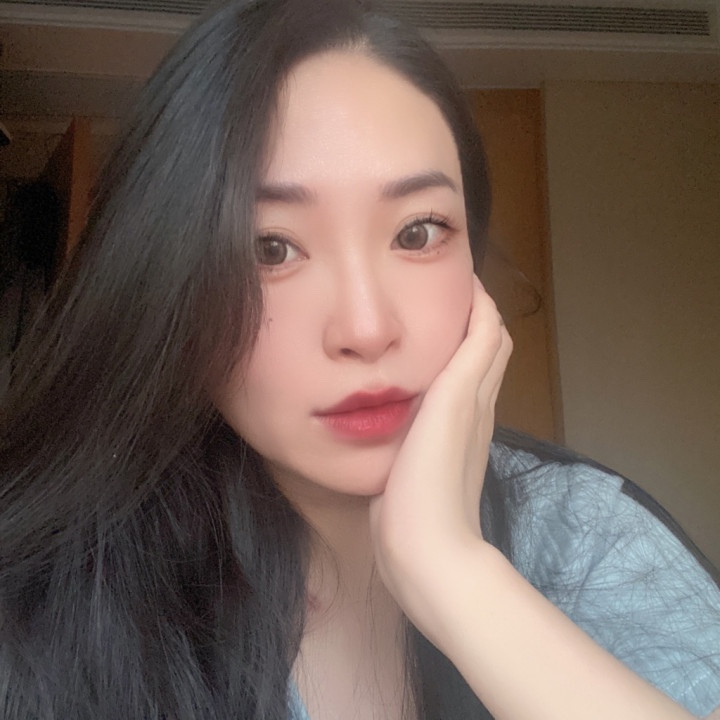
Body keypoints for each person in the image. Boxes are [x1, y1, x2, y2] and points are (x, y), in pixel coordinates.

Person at [0, 1, 718, 718]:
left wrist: (455, 575)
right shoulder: (52, 600)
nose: (367, 329)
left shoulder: (580, 536)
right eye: (269, 248)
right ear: (167, 285)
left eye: (418, 232)